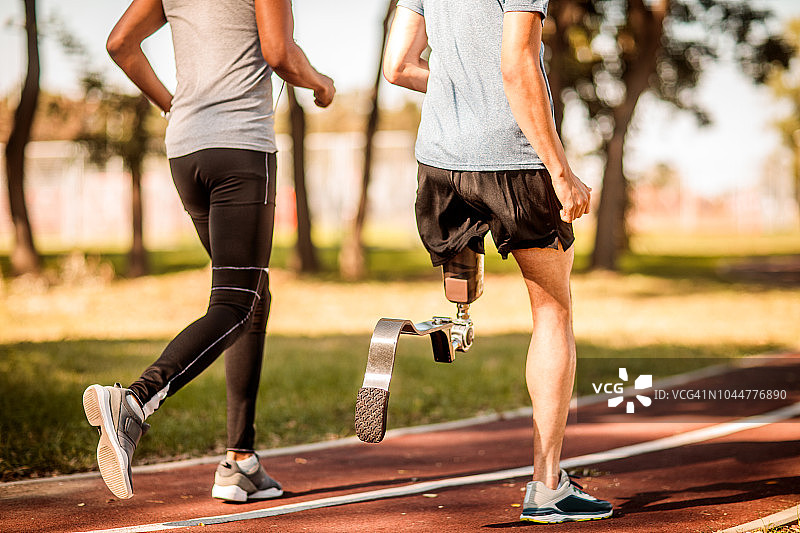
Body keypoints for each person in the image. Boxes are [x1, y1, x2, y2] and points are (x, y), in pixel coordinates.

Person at [82, 0, 334, 501]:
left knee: (250, 297)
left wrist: (169, 102)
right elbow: (279, 53)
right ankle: (134, 400)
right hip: (241, 149)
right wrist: (321, 83)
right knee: (235, 303)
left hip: (187, 151)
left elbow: (119, 44)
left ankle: (240, 461)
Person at [382, 0, 613, 523]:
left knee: (465, 269)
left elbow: (398, 66)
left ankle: (450, 321)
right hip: (512, 161)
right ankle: (547, 484)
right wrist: (560, 171)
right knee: (553, 312)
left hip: (439, 164)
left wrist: (459, 92)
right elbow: (517, 66)